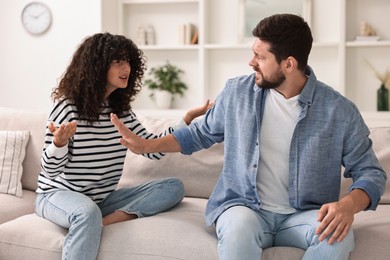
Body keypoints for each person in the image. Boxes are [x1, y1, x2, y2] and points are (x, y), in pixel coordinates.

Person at [111, 14, 387, 260]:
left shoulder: (339, 111)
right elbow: (198, 133)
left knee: (339, 238)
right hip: (244, 208)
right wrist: (147, 145)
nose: (251, 62)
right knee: (238, 229)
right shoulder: (237, 93)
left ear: (289, 64)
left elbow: (371, 174)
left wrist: (349, 205)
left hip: (303, 215)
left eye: (261, 57)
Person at [35, 32, 211, 260]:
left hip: (101, 199)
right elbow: (50, 171)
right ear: (97, 66)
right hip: (56, 195)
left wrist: (185, 120)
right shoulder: (68, 107)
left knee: (173, 187)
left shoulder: (120, 112)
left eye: (127, 60)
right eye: (117, 61)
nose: (125, 67)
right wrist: (58, 143)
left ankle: (105, 221)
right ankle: (91, 220)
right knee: (86, 212)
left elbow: (153, 150)